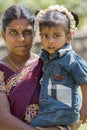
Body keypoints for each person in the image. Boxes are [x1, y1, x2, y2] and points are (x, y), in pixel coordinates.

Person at [30, 5, 87, 130]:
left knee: (30, 127)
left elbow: (85, 80)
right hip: (50, 110)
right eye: (45, 36)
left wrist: (85, 107)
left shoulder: (71, 59)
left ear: (68, 37)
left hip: (63, 111)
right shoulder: (44, 57)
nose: (50, 41)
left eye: (56, 36)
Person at [0, 4, 44, 130]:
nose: (21, 39)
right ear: (3, 35)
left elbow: (69, 105)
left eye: (27, 32)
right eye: (13, 32)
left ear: (34, 34)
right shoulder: (1, 69)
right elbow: (2, 119)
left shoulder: (47, 64)